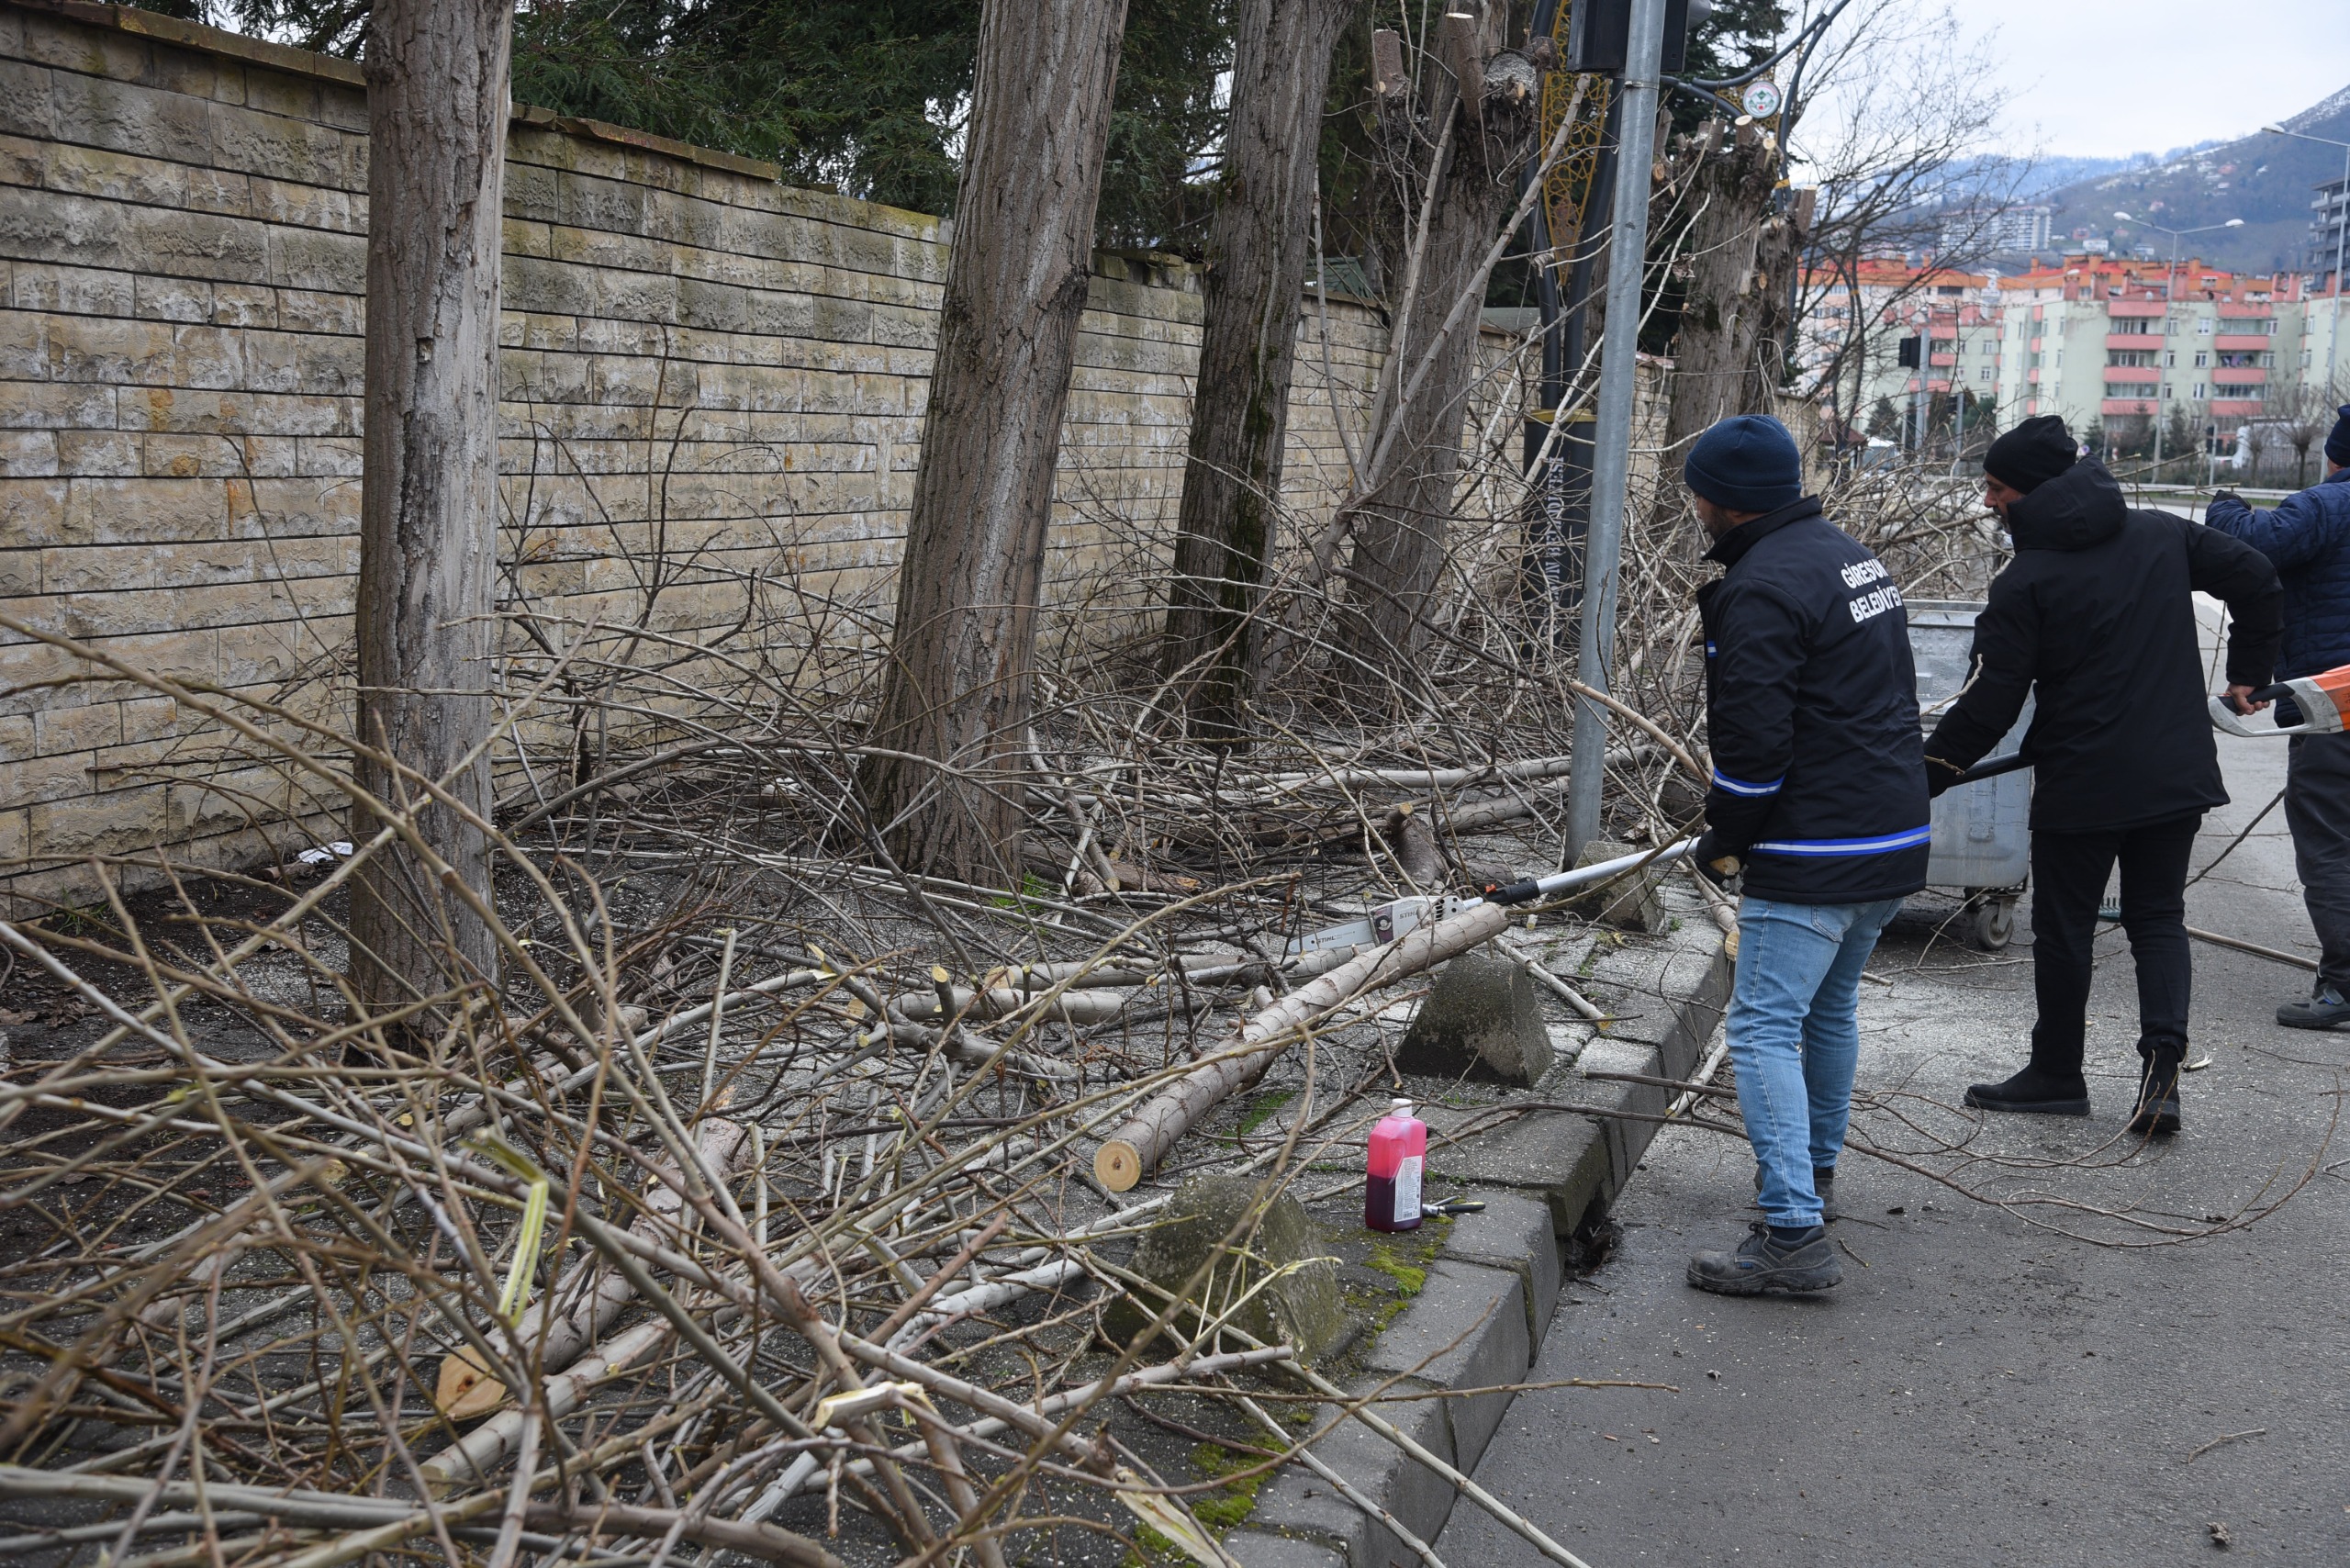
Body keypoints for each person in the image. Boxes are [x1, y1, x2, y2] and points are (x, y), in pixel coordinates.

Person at [1923, 415, 2281, 1135]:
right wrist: (2249, 674)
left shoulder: (2025, 579)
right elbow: (2257, 577)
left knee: (2064, 929)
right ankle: (2161, 1083)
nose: (1989, 502)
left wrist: (1927, 771)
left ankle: (2057, 1074)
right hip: (2174, 773)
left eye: (1997, 488)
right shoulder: (2159, 535)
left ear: (2033, 492)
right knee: (2157, 919)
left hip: (2083, 782)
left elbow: (1991, 700)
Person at [1680, 414, 1930, 1298]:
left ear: (1722, 502)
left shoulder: (1761, 590)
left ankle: (1790, 1232)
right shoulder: (1851, 557)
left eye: (1696, 490)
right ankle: (1813, 1179)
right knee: (1827, 1016)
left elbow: (1752, 745)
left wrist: (1726, 836)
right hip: (1891, 833)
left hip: (1817, 845)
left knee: (1760, 1028)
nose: (1694, 503)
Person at [2206, 406, 2350, 1029]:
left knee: (2330, 844)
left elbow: (2254, 546)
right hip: (2325, 696)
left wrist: (2224, 507)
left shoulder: (2329, 505)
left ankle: (2344, 987)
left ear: (2336, 456)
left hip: (2338, 708)